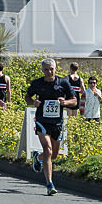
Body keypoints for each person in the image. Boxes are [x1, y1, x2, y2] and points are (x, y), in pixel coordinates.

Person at [25, 58, 76, 196]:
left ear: (55, 68)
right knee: (47, 149)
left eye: (51, 69)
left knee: (53, 154)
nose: (49, 72)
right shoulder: (37, 83)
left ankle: (38, 158)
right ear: (42, 70)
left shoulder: (63, 83)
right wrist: (33, 102)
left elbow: (74, 100)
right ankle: (49, 184)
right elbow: (27, 97)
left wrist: (65, 102)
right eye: (46, 69)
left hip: (57, 122)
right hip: (42, 120)